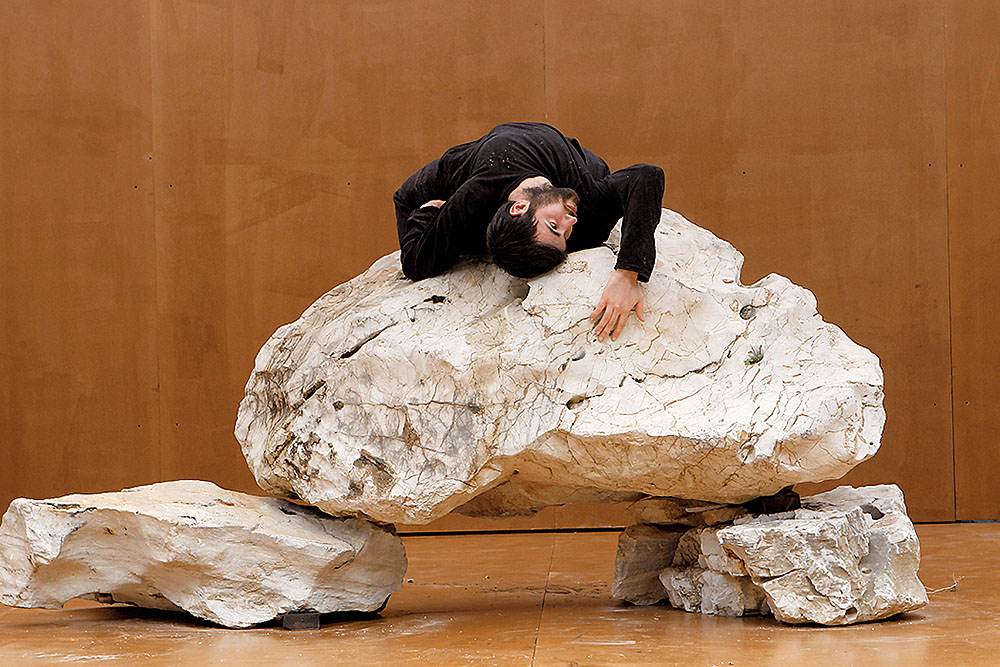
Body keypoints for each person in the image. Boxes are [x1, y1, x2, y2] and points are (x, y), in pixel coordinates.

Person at [394, 122, 664, 341]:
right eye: (562, 234)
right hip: (489, 153)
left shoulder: (473, 201)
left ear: (519, 207)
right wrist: (430, 213)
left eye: (554, 226)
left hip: (529, 152)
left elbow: (647, 175)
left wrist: (627, 275)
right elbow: (414, 256)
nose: (571, 221)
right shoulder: (580, 220)